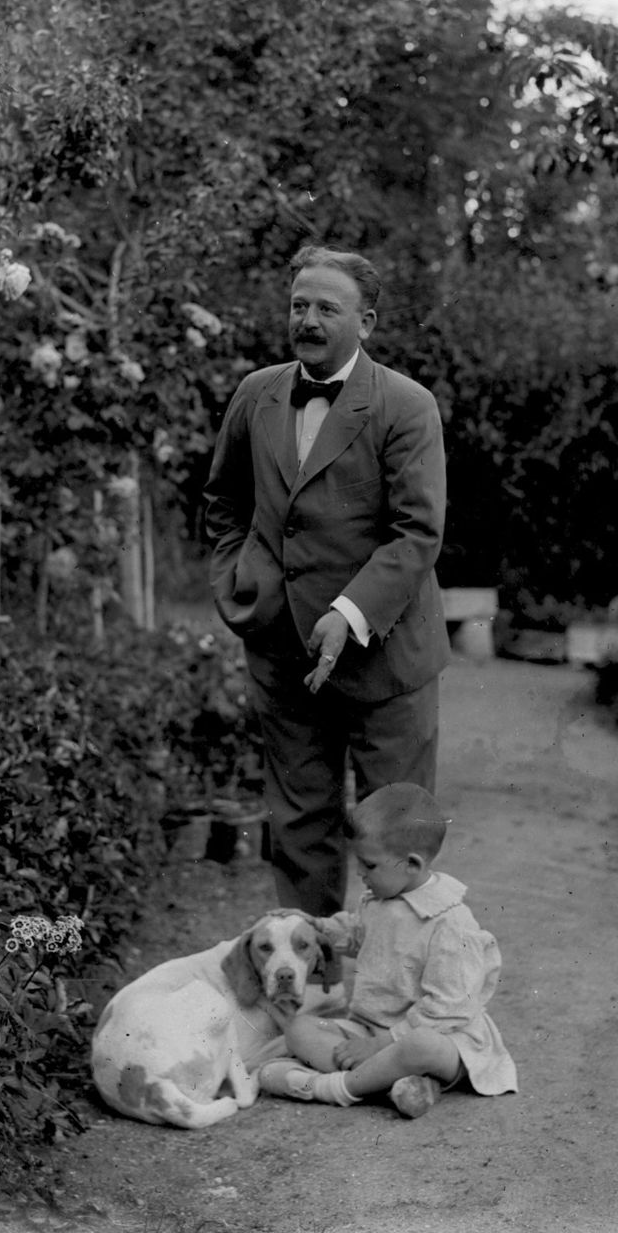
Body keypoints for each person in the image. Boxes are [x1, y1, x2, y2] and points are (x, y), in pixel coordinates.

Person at [203, 245, 450, 915]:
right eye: (299, 306)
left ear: (365, 322)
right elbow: (224, 501)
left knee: (397, 831)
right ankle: (311, 992)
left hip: (387, 658)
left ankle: (389, 993)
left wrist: (350, 611)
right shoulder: (258, 394)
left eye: (326, 309)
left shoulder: (405, 405)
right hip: (284, 651)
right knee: (298, 824)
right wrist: (237, 579)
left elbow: (417, 533)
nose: (307, 321)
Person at [257, 782, 518, 1118]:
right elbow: (355, 934)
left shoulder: (449, 923)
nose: (360, 874)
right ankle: (399, 1085)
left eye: (369, 865)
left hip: (441, 1039)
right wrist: (316, 927)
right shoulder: (381, 899)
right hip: (371, 1029)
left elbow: (449, 1008)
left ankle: (337, 1088)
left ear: (411, 863)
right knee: (300, 1029)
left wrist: (381, 1045)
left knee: (419, 1046)